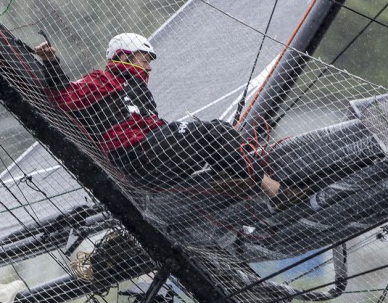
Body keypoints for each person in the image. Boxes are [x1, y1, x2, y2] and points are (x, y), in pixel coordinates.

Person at [33, 33, 281, 198]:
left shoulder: (141, 90)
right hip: (134, 156)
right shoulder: (102, 79)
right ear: (123, 57)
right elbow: (63, 97)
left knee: (220, 129)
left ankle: (236, 183)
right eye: (144, 60)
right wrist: (51, 62)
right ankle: (270, 188)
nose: (150, 67)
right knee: (209, 131)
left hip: (155, 157)